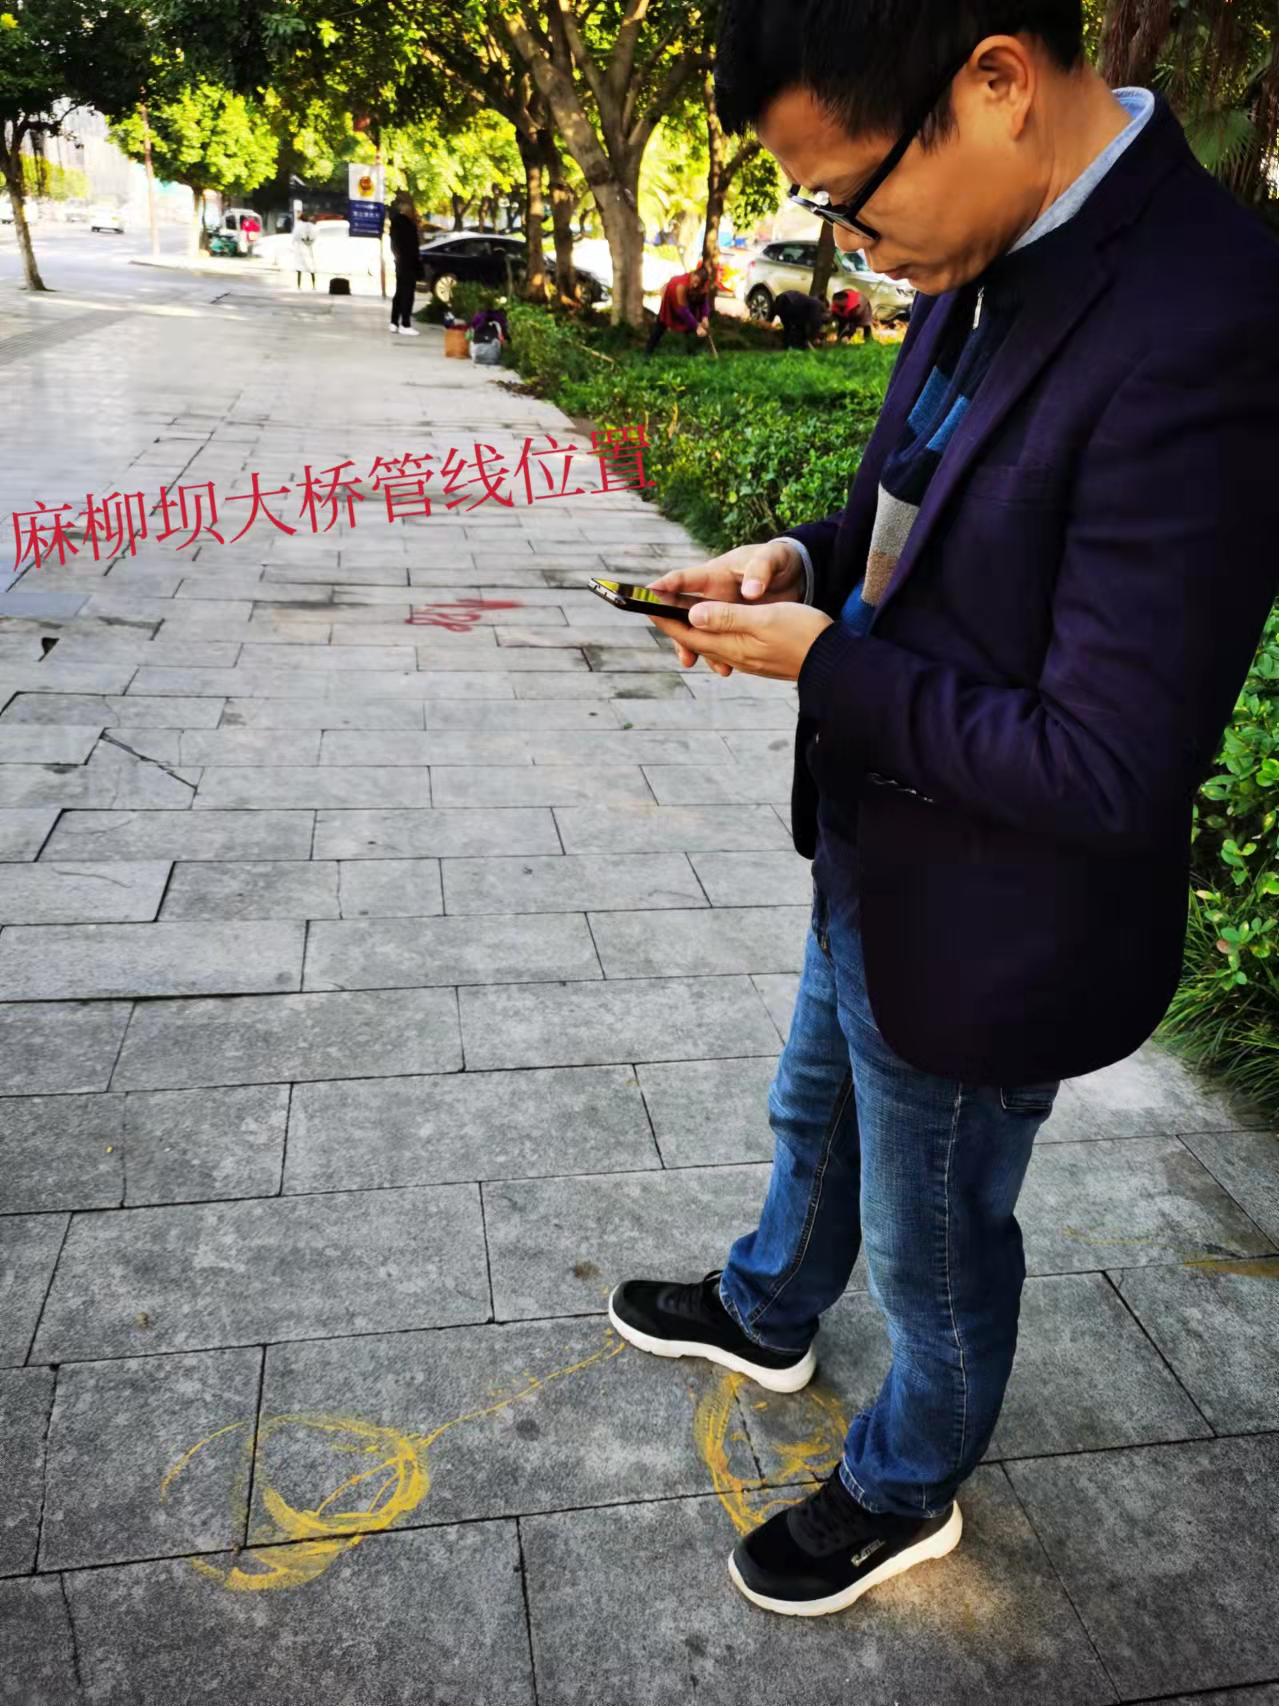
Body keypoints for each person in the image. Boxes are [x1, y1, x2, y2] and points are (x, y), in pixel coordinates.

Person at [609, 0, 1279, 1623]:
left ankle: (906, 1480)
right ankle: (768, 1304)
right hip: (874, 847)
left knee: (934, 1243)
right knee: (811, 1111)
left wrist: (822, 665)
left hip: (996, 917)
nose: (846, 241)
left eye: (849, 195)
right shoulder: (981, 243)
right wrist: (797, 562)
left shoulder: (1209, 319)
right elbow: (910, 516)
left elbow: (1108, 763)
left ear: (991, 83)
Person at [644, 262, 713, 356]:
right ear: (692, 275)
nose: (695, 285)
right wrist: (696, 325)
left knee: (692, 329)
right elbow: (683, 310)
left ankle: (692, 353)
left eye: (698, 284)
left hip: (688, 301)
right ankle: (647, 353)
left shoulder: (702, 285)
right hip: (672, 302)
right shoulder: (681, 286)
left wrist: (705, 316)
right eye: (695, 281)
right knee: (661, 325)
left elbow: (703, 300)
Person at [389, 193, 422, 336]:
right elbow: (412, 246)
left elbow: (395, 244)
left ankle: (394, 322)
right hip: (407, 262)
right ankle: (405, 323)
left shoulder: (396, 222)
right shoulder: (407, 225)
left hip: (401, 262)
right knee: (407, 293)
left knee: (400, 292)